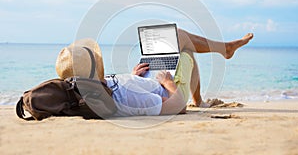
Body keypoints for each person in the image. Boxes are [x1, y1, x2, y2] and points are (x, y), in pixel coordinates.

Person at [55, 29, 253, 116]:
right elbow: (178, 108)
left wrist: (133, 75)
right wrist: (168, 84)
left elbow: (121, 87)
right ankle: (225, 50)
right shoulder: (130, 98)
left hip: (147, 81)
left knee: (178, 40)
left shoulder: (98, 89)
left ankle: (200, 97)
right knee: (183, 44)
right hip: (169, 91)